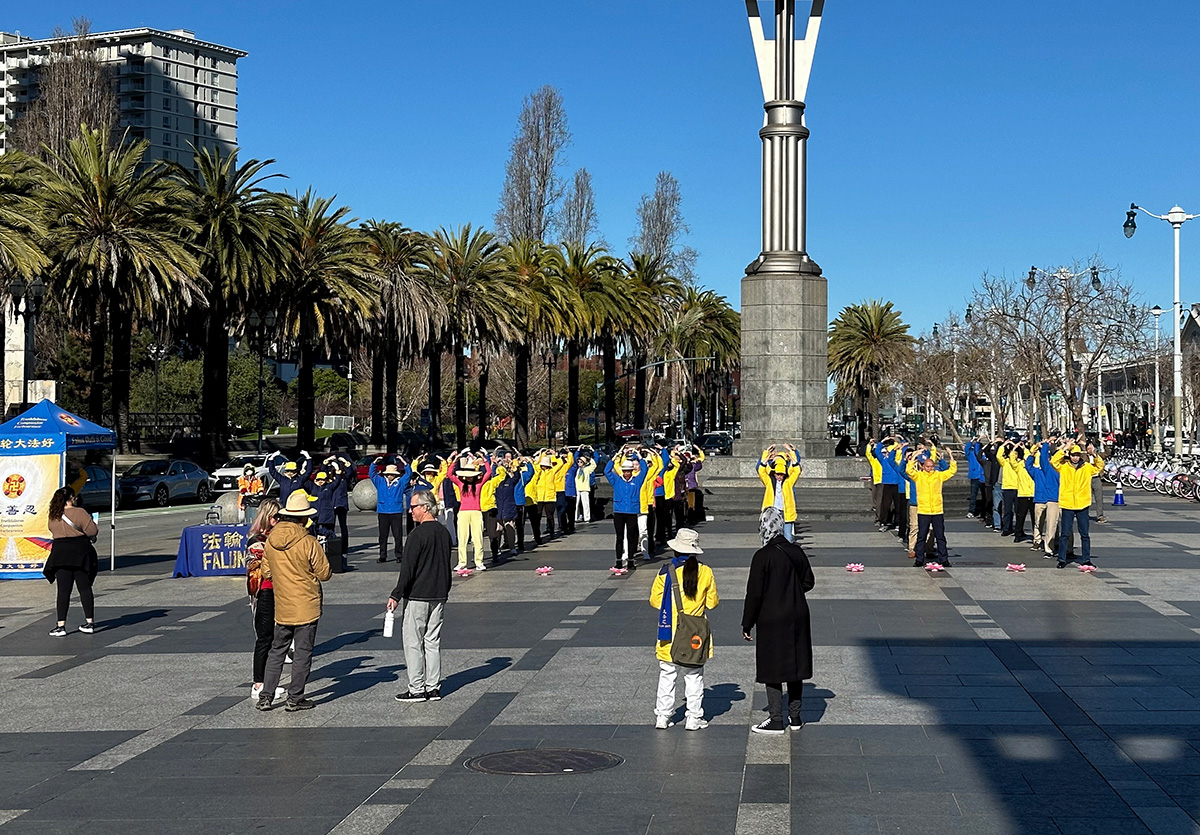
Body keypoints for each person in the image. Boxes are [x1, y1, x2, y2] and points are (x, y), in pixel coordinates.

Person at [256, 492, 333, 712]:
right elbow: (325, 573)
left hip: (283, 605)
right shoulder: (308, 541)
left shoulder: (271, 540)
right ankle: (295, 697)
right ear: (303, 518)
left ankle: (266, 696)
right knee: (302, 652)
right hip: (306, 605)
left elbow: (266, 572)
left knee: (277, 650)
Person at [742, 511, 815, 734]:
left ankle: (775, 718)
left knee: (772, 666)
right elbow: (808, 581)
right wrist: (792, 592)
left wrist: (747, 623)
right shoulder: (796, 551)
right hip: (797, 613)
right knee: (795, 665)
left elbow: (754, 593)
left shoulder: (762, 556)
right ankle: (795, 716)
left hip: (771, 617)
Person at [649, 528, 719, 731]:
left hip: (668, 633)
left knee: (667, 674)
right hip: (694, 634)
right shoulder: (705, 572)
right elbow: (712, 603)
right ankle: (694, 718)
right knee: (694, 676)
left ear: (675, 549)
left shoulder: (665, 571)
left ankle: (662, 717)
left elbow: (655, 601)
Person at [389, 489, 453, 703]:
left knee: (413, 642)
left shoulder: (417, 535)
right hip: (439, 593)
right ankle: (433, 687)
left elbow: (408, 570)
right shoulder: (444, 532)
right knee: (433, 640)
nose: (410, 511)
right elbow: (446, 564)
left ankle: (416, 688)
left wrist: (396, 594)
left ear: (425, 507)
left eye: (414, 506)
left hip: (418, 595)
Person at [42, 487, 99, 637]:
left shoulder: (53, 515)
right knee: (84, 588)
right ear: (71, 498)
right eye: (74, 497)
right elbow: (92, 531)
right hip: (80, 553)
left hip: (60, 554)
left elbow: (52, 531)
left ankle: (61, 626)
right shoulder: (79, 512)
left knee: (63, 591)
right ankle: (89, 623)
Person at [246, 498, 286, 704]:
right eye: (275, 517)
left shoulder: (275, 537)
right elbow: (257, 570)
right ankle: (258, 683)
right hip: (264, 592)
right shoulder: (256, 541)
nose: (278, 520)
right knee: (264, 638)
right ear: (267, 517)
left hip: (279, 591)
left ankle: (266, 682)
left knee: (273, 637)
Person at [1051, 441, 1104, 569]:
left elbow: (1099, 466)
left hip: (1082, 504)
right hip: (1068, 504)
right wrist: (1065, 448)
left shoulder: (1086, 467)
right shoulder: (1064, 466)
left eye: (1077, 455)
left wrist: (1094, 454)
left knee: (1084, 534)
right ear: (1070, 455)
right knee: (1065, 534)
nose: (1075, 457)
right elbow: (1053, 461)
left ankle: (1086, 559)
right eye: (1073, 455)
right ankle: (1062, 559)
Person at [906, 447, 958, 568]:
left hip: (937, 510)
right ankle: (919, 558)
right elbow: (909, 470)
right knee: (921, 536)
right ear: (923, 466)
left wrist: (951, 456)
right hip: (924, 510)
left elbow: (952, 471)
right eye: (927, 466)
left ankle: (943, 559)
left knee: (940, 536)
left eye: (931, 466)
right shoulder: (919, 476)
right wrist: (914, 456)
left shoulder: (938, 476)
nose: (930, 469)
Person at [448, 451, 492, 572]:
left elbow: (488, 472)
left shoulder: (478, 483)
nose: (469, 477)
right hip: (463, 512)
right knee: (462, 538)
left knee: (477, 538)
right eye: (467, 474)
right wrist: (455, 460)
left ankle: (479, 561)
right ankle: (461, 562)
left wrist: (484, 459)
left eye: (471, 474)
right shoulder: (460, 483)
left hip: (476, 512)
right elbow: (449, 474)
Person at [605, 449, 648, 572]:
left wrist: (639, 456)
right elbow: (606, 471)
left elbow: (644, 470)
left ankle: (630, 561)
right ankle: (618, 561)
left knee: (631, 538)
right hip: (619, 511)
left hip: (632, 512)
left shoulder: (637, 481)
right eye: (625, 471)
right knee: (619, 537)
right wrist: (615, 457)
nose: (627, 473)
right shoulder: (617, 480)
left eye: (629, 471)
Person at [757, 444, 802, 543]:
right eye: (777, 474)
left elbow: (796, 471)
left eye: (782, 474)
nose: (779, 477)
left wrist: (791, 453)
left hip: (785, 512)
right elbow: (761, 470)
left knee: (788, 538)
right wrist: (766, 453)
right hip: (773, 512)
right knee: (770, 537)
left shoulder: (788, 482)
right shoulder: (769, 482)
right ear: (774, 473)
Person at [370, 456, 411, 564]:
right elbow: (372, 474)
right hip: (383, 511)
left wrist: (403, 462)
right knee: (383, 536)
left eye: (392, 474)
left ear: (396, 474)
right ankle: (382, 555)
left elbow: (408, 474)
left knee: (398, 535)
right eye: (388, 474)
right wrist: (375, 463)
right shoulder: (380, 482)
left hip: (396, 511)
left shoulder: (400, 483)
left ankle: (399, 555)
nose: (389, 476)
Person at [575, 451, 596, 523]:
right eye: (578, 462)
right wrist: (578, 451)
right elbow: (573, 459)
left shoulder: (587, 469)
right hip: (577, 488)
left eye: (581, 462)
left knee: (585, 503)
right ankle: (576, 517)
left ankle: (587, 518)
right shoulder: (577, 469)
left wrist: (589, 458)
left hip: (585, 488)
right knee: (576, 504)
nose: (579, 463)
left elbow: (594, 465)